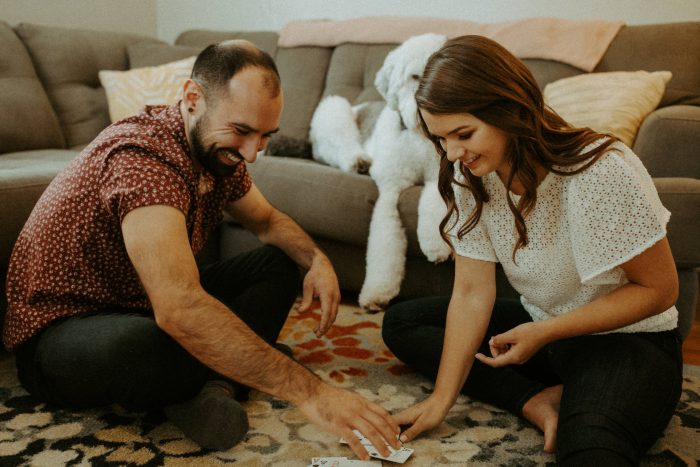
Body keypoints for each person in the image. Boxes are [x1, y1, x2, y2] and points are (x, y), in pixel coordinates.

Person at [3, 40, 400, 459]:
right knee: (150, 340)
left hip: (138, 300)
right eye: (242, 131)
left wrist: (316, 260)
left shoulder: (215, 151)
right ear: (193, 99)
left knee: (279, 263)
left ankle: (212, 383)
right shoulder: (143, 160)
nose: (251, 153)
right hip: (64, 330)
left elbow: (267, 222)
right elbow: (178, 307)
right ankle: (220, 373)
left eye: (265, 136)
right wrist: (310, 393)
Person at [382, 35, 682, 465]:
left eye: (463, 134)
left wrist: (543, 332)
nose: (451, 153)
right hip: (545, 330)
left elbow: (660, 290)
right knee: (404, 322)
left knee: (590, 449)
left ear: (509, 110)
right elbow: (470, 293)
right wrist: (441, 400)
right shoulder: (471, 175)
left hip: (627, 340)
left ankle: (582, 397)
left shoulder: (599, 169)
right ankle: (535, 399)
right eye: (441, 138)